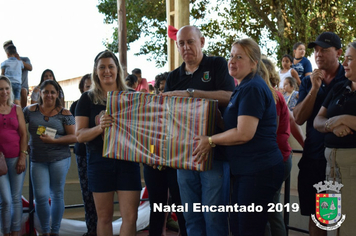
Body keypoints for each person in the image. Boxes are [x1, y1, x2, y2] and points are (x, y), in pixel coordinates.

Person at [193, 38, 284, 235]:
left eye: (239, 57)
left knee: (247, 228)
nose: (232, 60)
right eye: (231, 56)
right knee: (239, 225)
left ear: (254, 63)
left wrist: (210, 141)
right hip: (248, 171)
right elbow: (236, 126)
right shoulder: (243, 87)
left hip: (259, 170)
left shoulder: (252, 88)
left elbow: (244, 133)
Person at [164, 25, 235, 236]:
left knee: (214, 216)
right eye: (181, 43)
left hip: (215, 153)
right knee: (191, 216)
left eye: (190, 42)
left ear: (202, 42)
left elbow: (230, 96)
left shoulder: (217, 64)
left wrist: (190, 94)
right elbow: (165, 114)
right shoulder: (173, 77)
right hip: (183, 155)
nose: (186, 47)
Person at [75, 50, 141, 236]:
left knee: (130, 217)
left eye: (111, 66)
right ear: (96, 71)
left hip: (128, 161)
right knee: (104, 217)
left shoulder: (132, 96)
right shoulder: (86, 99)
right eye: (102, 67)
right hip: (98, 161)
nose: (107, 71)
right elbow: (79, 136)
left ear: (117, 69)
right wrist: (99, 128)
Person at [293, 32, 347, 236]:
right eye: (316, 50)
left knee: (339, 217)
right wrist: (314, 89)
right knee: (317, 217)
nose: (318, 54)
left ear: (339, 53)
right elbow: (297, 118)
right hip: (313, 160)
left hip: (338, 161)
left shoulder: (348, 79)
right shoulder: (309, 82)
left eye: (324, 50)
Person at [313, 41, 356, 236]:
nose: (345, 63)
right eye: (345, 58)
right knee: (331, 224)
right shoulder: (339, 87)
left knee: (349, 228)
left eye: (350, 59)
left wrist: (345, 119)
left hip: (352, 170)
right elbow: (318, 121)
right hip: (329, 169)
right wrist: (333, 125)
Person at [23, 80, 76, 236]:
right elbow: (18, 128)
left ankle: (55, 231)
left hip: (59, 159)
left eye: (53, 92)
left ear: (58, 94)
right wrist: (23, 144)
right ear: (40, 93)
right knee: (40, 197)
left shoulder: (65, 113)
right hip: (37, 159)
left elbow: (74, 137)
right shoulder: (30, 111)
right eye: (46, 91)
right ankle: (44, 231)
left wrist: (55, 140)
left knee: (57, 194)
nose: (49, 95)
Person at [143, 71, 187, 236]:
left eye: (168, 90)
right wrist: (152, 156)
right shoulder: (148, 111)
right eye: (161, 90)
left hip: (177, 165)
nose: (164, 94)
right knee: (156, 209)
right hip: (153, 165)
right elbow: (147, 139)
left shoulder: (185, 111)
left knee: (182, 208)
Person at [263, 58, 292, 236]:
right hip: (281, 157)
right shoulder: (275, 95)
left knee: (270, 212)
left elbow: (269, 132)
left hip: (275, 158)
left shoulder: (271, 96)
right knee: (271, 210)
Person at [69, 74, 97, 236]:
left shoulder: (102, 103)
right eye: (87, 86)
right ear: (82, 88)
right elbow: (76, 131)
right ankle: (91, 230)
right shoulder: (76, 106)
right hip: (82, 154)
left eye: (93, 86)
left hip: (99, 155)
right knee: (87, 195)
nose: (90, 89)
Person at [0, 76, 27, 236]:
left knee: (16, 199)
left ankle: (15, 232)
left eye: (6, 88)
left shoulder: (16, 109)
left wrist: (23, 157)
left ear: (10, 90)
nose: (4, 92)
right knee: (6, 200)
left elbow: (24, 134)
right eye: (0, 89)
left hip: (17, 158)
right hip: (0, 161)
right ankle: (5, 232)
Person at [3, 40, 33, 108]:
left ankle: (23, 112)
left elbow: (30, 68)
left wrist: (18, 60)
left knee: (23, 91)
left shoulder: (24, 59)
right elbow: (3, 75)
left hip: (23, 87)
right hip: (10, 87)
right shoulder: (7, 63)